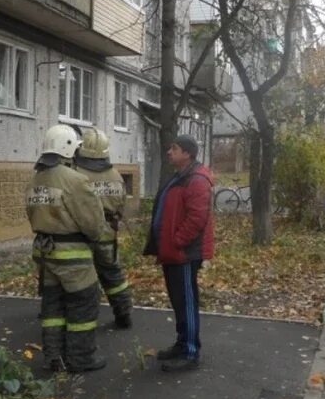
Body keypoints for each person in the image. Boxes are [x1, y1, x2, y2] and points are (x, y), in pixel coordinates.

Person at [27, 125, 109, 372]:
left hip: (45, 252)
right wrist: (96, 237)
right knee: (84, 304)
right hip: (72, 255)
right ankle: (81, 358)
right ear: (70, 147)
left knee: (53, 306)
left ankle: (54, 357)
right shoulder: (75, 180)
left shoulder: (35, 179)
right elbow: (93, 222)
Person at [143, 134, 214, 372]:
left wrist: (177, 242)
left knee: (187, 302)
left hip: (183, 253)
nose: (169, 152)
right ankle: (182, 343)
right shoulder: (180, 177)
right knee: (178, 301)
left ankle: (191, 352)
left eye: (174, 149)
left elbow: (197, 218)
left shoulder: (196, 180)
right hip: (173, 251)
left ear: (187, 153)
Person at [73, 128, 133, 329]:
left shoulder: (75, 173)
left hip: (81, 235)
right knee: (113, 274)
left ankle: (82, 319)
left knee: (81, 278)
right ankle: (123, 312)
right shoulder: (116, 175)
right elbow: (121, 203)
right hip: (108, 233)